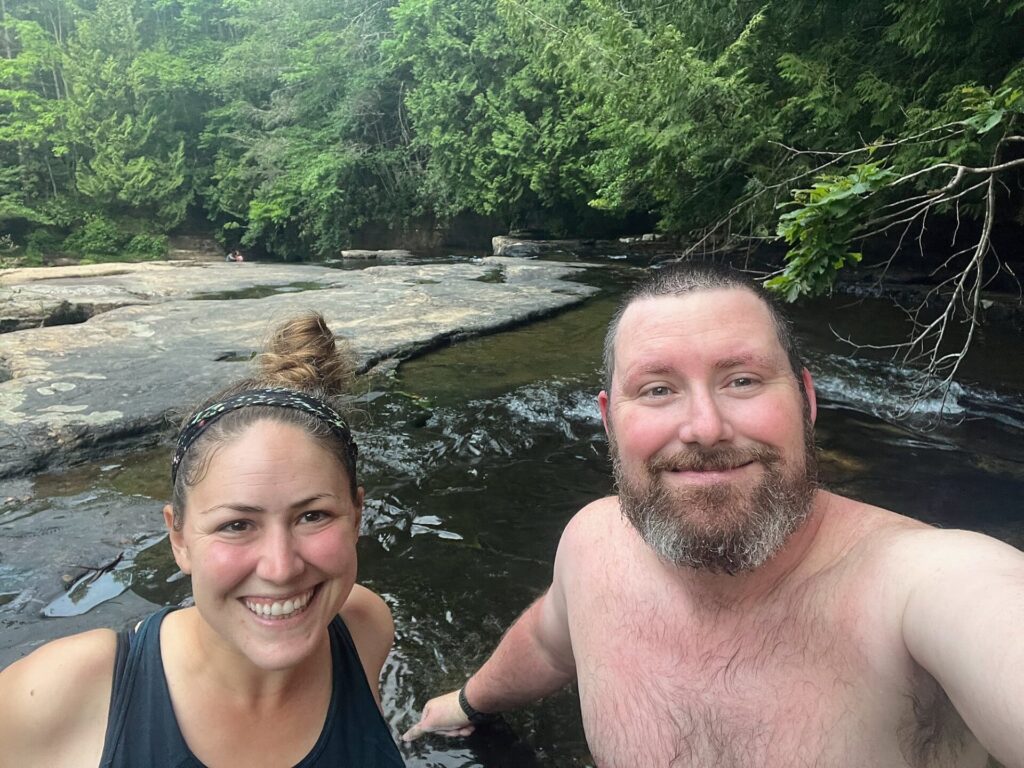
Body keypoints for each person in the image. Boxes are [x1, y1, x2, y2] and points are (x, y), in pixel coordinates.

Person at [404, 263, 1024, 767]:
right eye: (657, 389)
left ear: (806, 400)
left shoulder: (922, 584)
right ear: (608, 421)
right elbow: (548, 639)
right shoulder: (594, 542)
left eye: (743, 381)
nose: (704, 428)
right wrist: (467, 702)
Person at [0, 312, 405, 767]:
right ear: (179, 538)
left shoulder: (363, 625)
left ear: (356, 518)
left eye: (312, 516)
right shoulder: (59, 694)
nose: (281, 567)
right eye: (236, 524)